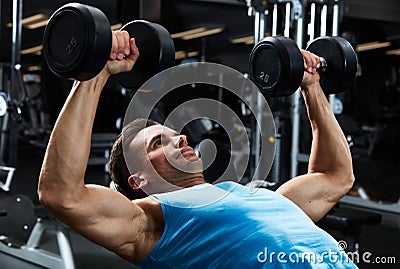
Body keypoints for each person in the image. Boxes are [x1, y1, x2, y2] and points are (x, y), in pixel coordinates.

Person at [38, 31, 356, 268]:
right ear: (138, 180)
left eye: (175, 134)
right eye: (158, 143)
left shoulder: (266, 198)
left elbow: (336, 176)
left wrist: (312, 87)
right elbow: (62, 196)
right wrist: (92, 77)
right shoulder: (150, 223)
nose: (181, 139)